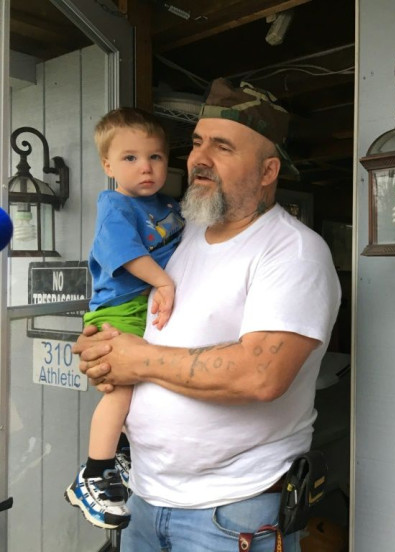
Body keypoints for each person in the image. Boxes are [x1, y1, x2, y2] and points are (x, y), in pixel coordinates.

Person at [73, 78, 341, 552]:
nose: (199, 157)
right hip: (145, 497)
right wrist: (101, 348)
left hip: (232, 512)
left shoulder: (293, 251)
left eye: (222, 147)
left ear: (267, 170)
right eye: (197, 143)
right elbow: (139, 319)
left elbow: (261, 374)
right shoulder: (183, 235)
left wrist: (135, 360)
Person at [65, 107, 185, 530]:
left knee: (141, 386)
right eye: (131, 158)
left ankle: (119, 451)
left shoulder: (168, 205)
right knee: (120, 387)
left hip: (142, 302)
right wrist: (165, 284)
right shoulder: (114, 205)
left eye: (155, 157)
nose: (146, 167)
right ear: (108, 165)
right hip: (120, 305)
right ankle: (93, 472)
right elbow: (128, 255)